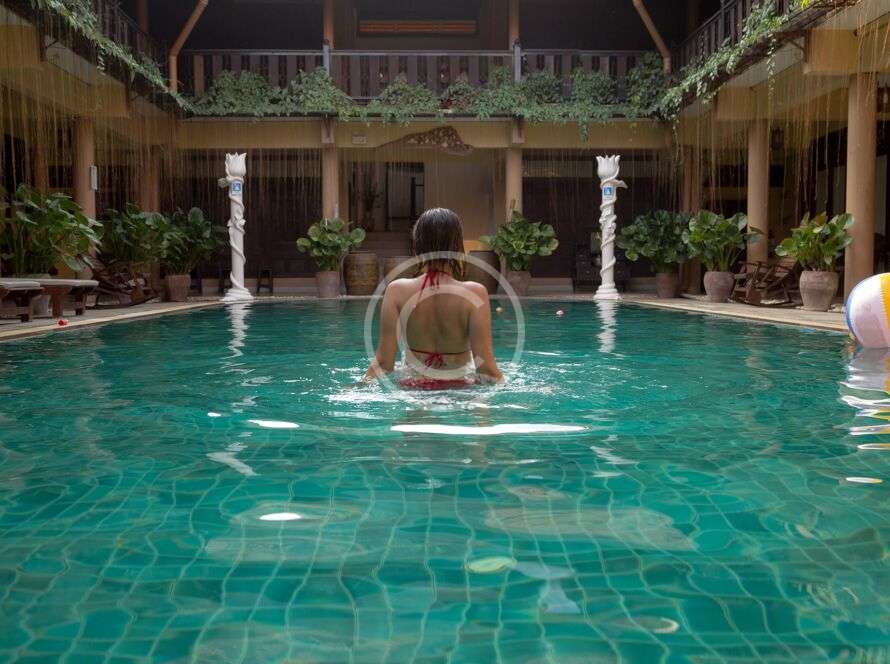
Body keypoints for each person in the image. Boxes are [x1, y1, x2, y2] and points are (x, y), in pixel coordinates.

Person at [364, 208, 504, 388]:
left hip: (413, 388)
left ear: (418, 244)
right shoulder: (475, 293)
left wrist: (358, 388)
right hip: (460, 389)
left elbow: (384, 363)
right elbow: (486, 370)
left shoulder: (396, 290)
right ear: (457, 245)